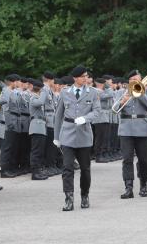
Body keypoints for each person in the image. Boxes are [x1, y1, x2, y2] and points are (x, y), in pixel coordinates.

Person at [54, 65, 100, 211]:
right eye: (83, 76)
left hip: (84, 135)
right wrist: (56, 136)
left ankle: (85, 195)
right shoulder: (65, 92)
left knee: (85, 169)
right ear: (75, 78)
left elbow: (97, 111)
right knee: (67, 167)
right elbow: (58, 115)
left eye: (86, 76)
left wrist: (85, 118)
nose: (86, 79)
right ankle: (69, 198)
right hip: (67, 134)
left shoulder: (92, 93)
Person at [115, 69, 147, 198]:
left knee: (143, 159)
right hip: (126, 129)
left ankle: (144, 185)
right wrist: (122, 102)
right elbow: (114, 110)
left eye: (136, 80)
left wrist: (140, 94)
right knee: (127, 159)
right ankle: (128, 187)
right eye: (132, 80)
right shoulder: (121, 93)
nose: (134, 82)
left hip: (142, 128)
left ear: (141, 81)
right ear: (128, 82)